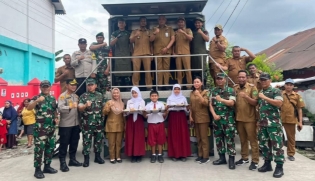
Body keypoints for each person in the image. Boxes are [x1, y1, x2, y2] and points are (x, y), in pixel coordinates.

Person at [27, 80, 59, 179]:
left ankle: (47, 166)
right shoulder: (36, 97)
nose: (45, 88)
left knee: (50, 147)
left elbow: (54, 110)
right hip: (40, 129)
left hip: (51, 128)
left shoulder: (52, 98)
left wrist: (56, 118)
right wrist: (37, 101)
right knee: (39, 149)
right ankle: (37, 170)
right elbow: (28, 107)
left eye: (47, 86)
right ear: (40, 88)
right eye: (43, 87)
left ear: (50, 87)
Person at [257, 73, 284, 178]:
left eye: (265, 80)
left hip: (273, 124)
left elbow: (279, 103)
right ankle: (267, 164)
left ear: (270, 80)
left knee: (277, 145)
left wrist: (264, 97)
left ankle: (279, 167)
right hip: (263, 123)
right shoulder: (261, 92)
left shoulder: (275, 91)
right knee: (263, 145)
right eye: (262, 80)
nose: (263, 82)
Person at [209, 73, 236, 169]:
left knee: (230, 139)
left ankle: (231, 159)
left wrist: (221, 99)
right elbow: (210, 104)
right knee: (219, 140)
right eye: (218, 79)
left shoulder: (230, 90)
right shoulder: (213, 91)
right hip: (217, 120)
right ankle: (222, 158)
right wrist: (214, 115)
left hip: (228, 120)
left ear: (225, 79)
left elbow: (231, 103)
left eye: (221, 79)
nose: (219, 80)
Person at [233, 70, 259, 170]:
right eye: (240, 77)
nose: (241, 79)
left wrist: (246, 97)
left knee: (253, 140)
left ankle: (255, 161)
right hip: (239, 118)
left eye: (243, 77)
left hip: (250, 119)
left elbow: (255, 102)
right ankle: (244, 158)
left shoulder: (252, 88)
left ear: (246, 78)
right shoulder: (235, 88)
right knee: (242, 140)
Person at [78, 78, 106, 167]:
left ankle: (97, 157)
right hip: (87, 123)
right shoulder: (83, 96)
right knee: (87, 141)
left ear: (95, 86)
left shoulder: (100, 95)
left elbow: (104, 108)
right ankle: (86, 159)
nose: (90, 87)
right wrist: (86, 105)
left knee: (98, 140)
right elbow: (79, 108)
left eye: (92, 85)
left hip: (98, 122)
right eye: (89, 85)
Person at [57, 79, 82, 172]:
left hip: (75, 124)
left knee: (74, 142)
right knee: (64, 144)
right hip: (66, 125)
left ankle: (72, 159)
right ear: (67, 85)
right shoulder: (63, 96)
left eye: (75, 85)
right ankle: (62, 162)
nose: (74, 86)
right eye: (71, 85)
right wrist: (70, 107)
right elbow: (60, 108)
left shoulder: (75, 96)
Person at [281, 78, 304, 161]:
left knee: (291, 138)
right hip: (280, 118)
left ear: (293, 86)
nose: (288, 86)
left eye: (290, 85)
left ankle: (291, 154)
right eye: (287, 84)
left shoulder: (297, 96)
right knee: (278, 137)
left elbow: (299, 109)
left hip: (291, 119)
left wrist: (300, 122)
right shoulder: (280, 94)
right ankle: (279, 154)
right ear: (284, 85)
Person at [150, 15, 175, 90]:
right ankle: (160, 86)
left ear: (165, 20)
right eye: (160, 19)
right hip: (157, 52)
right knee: (159, 69)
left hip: (167, 52)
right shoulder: (154, 28)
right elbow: (150, 40)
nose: (161, 20)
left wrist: (167, 48)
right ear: (158, 20)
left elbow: (173, 39)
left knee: (166, 69)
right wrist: (155, 33)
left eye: (163, 19)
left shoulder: (170, 29)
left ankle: (166, 85)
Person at [167, 84, 191, 161]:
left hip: (181, 116)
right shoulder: (170, 98)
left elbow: (186, 110)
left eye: (178, 89)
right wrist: (170, 107)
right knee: (174, 135)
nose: (177, 91)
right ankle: (174, 154)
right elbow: (167, 108)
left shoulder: (183, 98)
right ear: (173, 90)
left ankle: (183, 155)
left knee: (182, 134)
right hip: (173, 117)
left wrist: (187, 108)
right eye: (175, 89)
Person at [189, 76, 210, 164]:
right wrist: (190, 116)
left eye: (198, 82)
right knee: (198, 138)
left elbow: (206, 103)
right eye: (195, 82)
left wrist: (199, 95)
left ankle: (206, 156)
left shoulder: (206, 92)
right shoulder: (192, 93)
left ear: (201, 83)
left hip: (203, 118)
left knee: (204, 138)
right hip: (195, 117)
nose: (196, 84)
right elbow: (191, 106)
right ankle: (200, 155)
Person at [144, 90, 168, 163]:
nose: (154, 97)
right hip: (151, 124)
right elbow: (145, 116)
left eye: (155, 96)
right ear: (150, 97)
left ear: (158, 97)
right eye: (152, 96)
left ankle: (160, 155)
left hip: (160, 123)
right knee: (152, 140)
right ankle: (153, 155)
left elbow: (164, 114)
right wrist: (146, 112)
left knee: (160, 140)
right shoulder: (147, 106)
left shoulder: (161, 104)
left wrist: (166, 111)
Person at [130, 16, 153, 90]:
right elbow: (131, 41)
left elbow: (151, 43)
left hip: (147, 54)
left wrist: (152, 54)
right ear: (139, 23)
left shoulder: (149, 31)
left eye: (144, 21)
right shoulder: (134, 31)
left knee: (148, 71)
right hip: (136, 54)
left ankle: (149, 87)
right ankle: (135, 87)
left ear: (146, 23)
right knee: (136, 72)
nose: (143, 22)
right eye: (142, 21)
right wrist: (135, 36)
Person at [103, 88, 125, 164]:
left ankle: (118, 157)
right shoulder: (109, 102)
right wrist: (109, 107)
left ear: (119, 94)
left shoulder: (122, 103)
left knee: (119, 142)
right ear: (112, 94)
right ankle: (112, 157)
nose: (116, 94)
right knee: (111, 143)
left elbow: (123, 115)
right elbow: (104, 112)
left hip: (120, 125)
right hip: (111, 125)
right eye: (114, 93)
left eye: (117, 93)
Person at [124, 86, 146, 163]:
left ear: (138, 93)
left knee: (138, 137)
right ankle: (132, 155)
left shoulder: (142, 101)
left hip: (139, 120)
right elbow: (126, 112)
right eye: (133, 93)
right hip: (131, 120)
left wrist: (138, 110)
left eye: (135, 92)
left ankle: (139, 155)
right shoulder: (129, 101)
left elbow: (142, 111)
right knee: (131, 137)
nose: (134, 94)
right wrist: (129, 111)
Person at [110, 18, 132, 89]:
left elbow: (131, 44)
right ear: (118, 24)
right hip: (118, 55)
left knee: (127, 71)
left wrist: (132, 54)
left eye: (122, 23)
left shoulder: (128, 33)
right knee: (118, 71)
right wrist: (117, 38)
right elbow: (111, 43)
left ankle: (127, 86)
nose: (121, 24)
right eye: (120, 23)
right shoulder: (114, 33)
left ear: (125, 24)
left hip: (126, 54)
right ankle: (118, 87)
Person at [173, 17, 193, 90]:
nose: (180, 23)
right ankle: (179, 86)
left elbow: (190, 38)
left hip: (186, 53)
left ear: (184, 23)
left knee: (188, 70)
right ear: (177, 23)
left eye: (182, 22)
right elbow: (173, 43)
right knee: (179, 71)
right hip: (178, 53)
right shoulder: (175, 32)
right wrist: (173, 52)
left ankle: (189, 86)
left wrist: (183, 32)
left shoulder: (188, 30)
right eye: (179, 22)